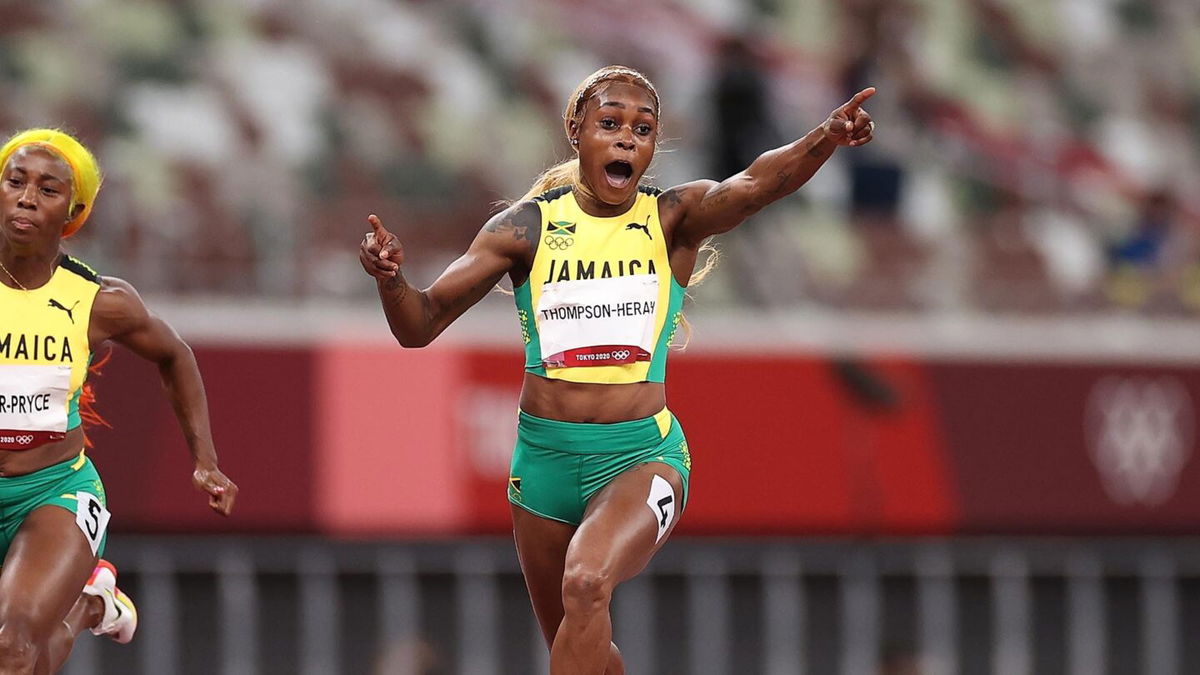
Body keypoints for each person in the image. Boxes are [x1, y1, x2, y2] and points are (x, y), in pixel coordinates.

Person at [359, 65, 874, 674]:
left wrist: (825, 136)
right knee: (585, 650)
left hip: (641, 457)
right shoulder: (525, 228)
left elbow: (757, 184)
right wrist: (392, 280)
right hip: (542, 464)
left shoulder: (672, 218)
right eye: (610, 124)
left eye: (644, 128)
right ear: (577, 131)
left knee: (585, 582)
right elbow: (418, 326)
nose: (628, 138)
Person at [0, 128, 239, 673]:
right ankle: (92, 604)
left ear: (74, 213)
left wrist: (206, 462)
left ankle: (85, 600)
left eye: (48, 189)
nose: (28, 197)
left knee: (11, 649)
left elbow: (175, 355)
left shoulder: (99, 300)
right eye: (15, 182)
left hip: (51, 492)